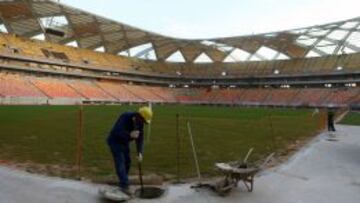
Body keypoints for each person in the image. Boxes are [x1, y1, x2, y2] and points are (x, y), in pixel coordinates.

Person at [107, 106, 153, 195]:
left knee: (127, 162)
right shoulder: (125, 117)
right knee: (120, 162)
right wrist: (129, 135)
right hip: (115, 142)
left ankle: (123, 179)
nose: (143, 123)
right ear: (139, 116)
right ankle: (124, 186)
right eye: (143, 121)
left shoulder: (140, 124)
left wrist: (140, 153)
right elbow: (117, 131)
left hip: (124, 143)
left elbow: (140, 139)